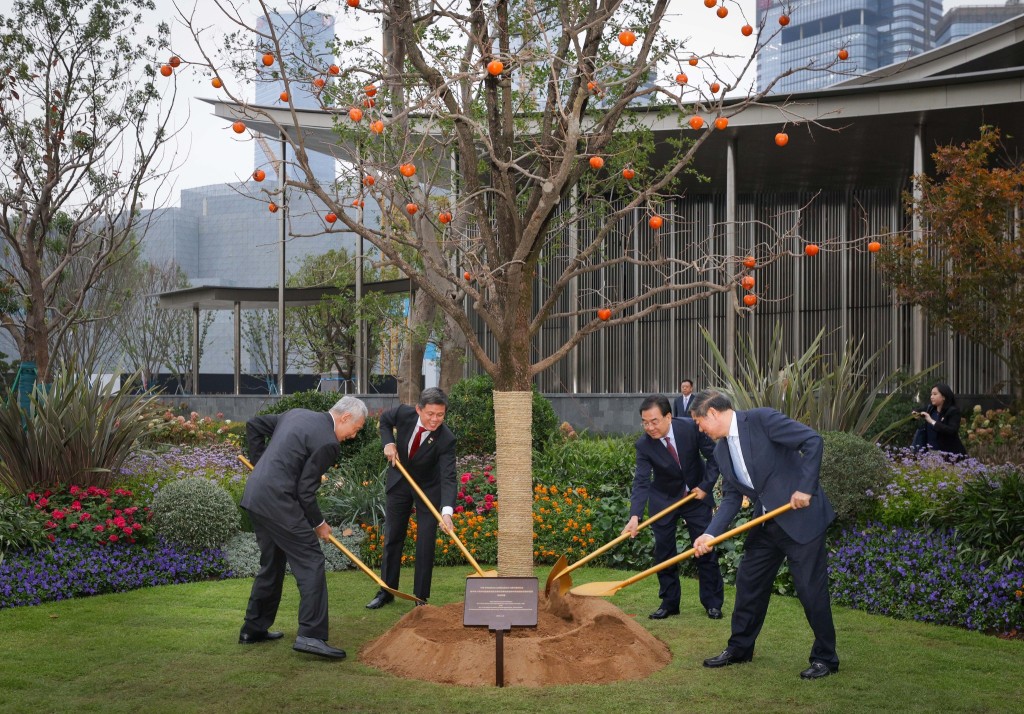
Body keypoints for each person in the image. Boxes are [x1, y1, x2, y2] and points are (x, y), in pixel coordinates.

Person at [689, 389, 839, 680]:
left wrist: (806, 487)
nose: (700, 428)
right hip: (767, 523)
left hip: (802, 520)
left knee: (810, 591)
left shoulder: (761, 419)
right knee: (749, 584)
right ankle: (740, 648)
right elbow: (732, 498)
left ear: (712, 413)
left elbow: (812, 440)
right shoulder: (721, 451)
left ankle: (825, 658)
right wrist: (709, 535)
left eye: (699, 422)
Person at [239, 395, 368, 660]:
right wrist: (319, 524)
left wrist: (259, 465)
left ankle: (253, 628)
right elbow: (305, 491)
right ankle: (311, 635)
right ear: (345, 418)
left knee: (272, 562)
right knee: (310, 560)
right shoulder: (328, 443)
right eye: (355, 429)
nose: (353, 436)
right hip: (278, 503)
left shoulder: (296, 413)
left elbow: (254, 424)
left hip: (256, 497)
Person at [624, 395, 724, 620]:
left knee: (704, 548)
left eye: (654, 421)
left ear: (668, 416)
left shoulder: (691, 428)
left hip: (696, 496)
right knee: (664, 551)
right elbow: (641, 481)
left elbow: (715, 457)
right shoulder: (644, 445)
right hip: (664, 499)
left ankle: (712, 602)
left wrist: (706, 486)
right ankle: (669, 603)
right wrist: (635, 516)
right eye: (645, 422)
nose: (650, 427)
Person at [366, 387, 457, 609]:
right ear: (418, 409)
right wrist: (388, 443)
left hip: (428, 489)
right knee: (393, 537)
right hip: (400, 483)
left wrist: (446, 513)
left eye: (440, 415)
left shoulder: (446, 439)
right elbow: (385, 422)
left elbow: (448, 477)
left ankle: (420, 598)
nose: (435, 420)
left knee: (425, 542)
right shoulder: (403, 414)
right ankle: (386, 591)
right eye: (430, 414)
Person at [912, 383, 967, 455]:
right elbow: (916, 411)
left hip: (948, 454)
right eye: (931, 394)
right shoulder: (930, 409)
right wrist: (915, 414)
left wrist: (931, 421)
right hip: (929, 452)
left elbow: (951, 430)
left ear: (944, 397)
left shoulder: (953, 411)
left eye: (935, 394)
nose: (931, 397)